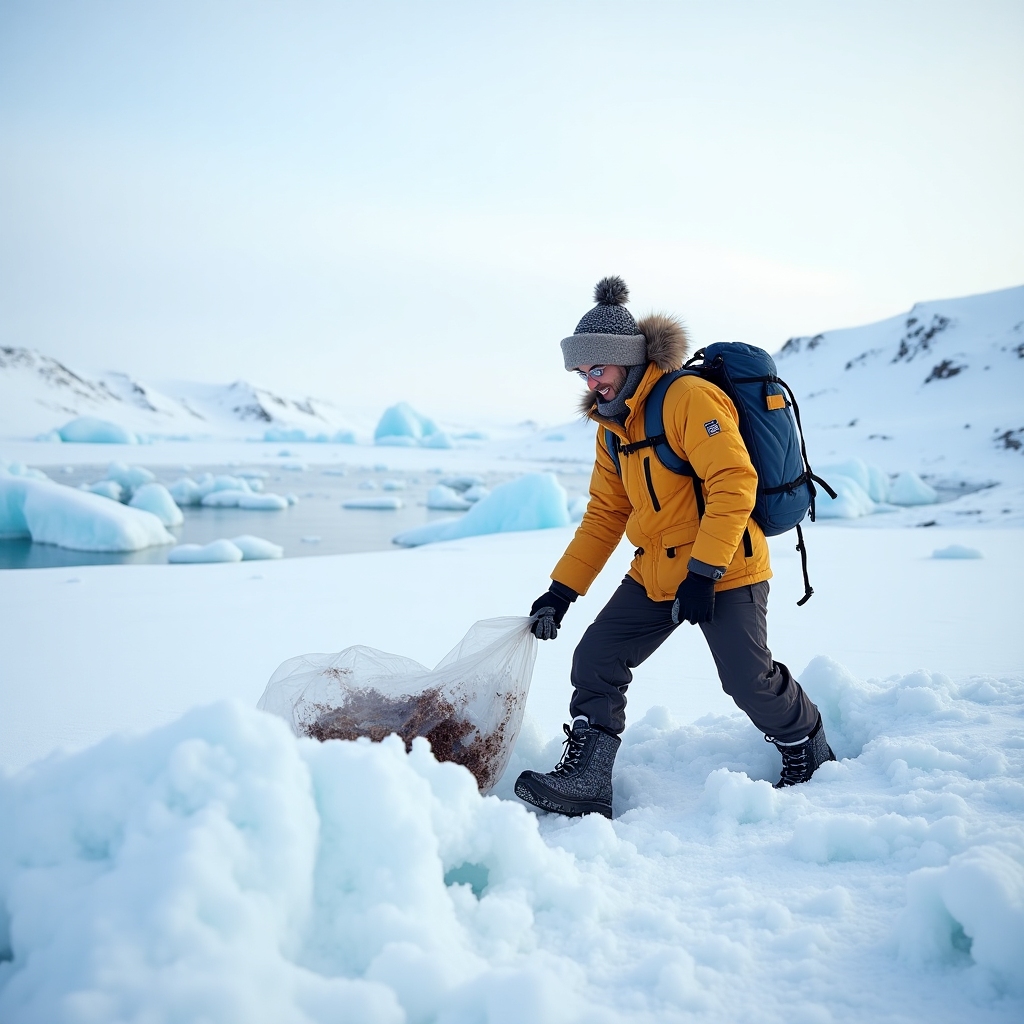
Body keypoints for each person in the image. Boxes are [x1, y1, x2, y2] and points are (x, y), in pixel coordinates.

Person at [514, 276, 834, 819]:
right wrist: (560, 591)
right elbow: (605, 514)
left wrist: (704, 572)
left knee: (745, 678)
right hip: (657, 571)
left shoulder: (688, 397)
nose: (592, 382)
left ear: (626, 359)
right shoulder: (611, 427)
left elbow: (735, 484)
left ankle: (806, 742)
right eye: (583, 372)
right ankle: (589, 778)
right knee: (596, 657)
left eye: (599, 369)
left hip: (727, 565)